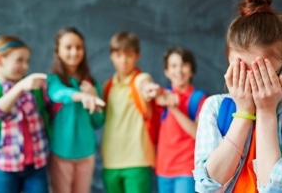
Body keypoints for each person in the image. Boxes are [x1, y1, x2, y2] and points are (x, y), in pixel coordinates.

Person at [193, 0, 282, 192]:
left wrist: (266, 113)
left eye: (262, 74)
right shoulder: (215, 107)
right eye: (241, 72)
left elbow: (277, 190)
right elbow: (206, 187)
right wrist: (243, 113)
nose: (251, 85)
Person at [101, 31, 161, 193]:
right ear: (111, 56)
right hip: (110, 162)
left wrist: (149, 89)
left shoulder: (140, 79)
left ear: (137, 56)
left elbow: (145, 84)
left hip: (137, 160)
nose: (123, 60)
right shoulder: (108, 86)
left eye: (128, 55)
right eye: (118, 55)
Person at [47, 26, 105, 193]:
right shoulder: (53, 80)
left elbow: (98, 122)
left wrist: (93, 96)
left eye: (78, 48)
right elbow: (58, 94)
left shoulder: (91, 84)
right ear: (57, 50)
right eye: (68, 47)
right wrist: (82, 96)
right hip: (61, 152)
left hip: (86, 153)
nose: (74, 52)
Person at [0, 35, 49, 193]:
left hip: (36, 164)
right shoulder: (4, 88)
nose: (25, 66)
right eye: (19, 60)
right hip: (5, 167)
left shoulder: (32, 87)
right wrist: (19, 88)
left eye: (27, 61)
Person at [155, 46, 206, 193]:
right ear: (166, 71)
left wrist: (173, 108)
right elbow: (147, 92)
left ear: (191, 69)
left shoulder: (199, 99)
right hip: (163, 168)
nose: (179, 71)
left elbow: (198, 133)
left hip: (187, 168)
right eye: (173, 66)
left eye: (184, 64)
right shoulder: (161, 95)